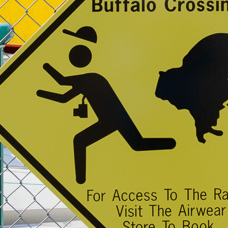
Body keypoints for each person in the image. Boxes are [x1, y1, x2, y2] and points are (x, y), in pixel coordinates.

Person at [36, 26, 175, 184]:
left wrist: (45, 64)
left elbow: (61, 80)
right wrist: (42, 93)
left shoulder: (92, 78)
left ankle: (172, 143)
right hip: (110, 120)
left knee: (136, 144)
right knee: (84, 141)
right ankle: (81, 181)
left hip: (116, 118)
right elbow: (64, 98)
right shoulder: (89, 80)